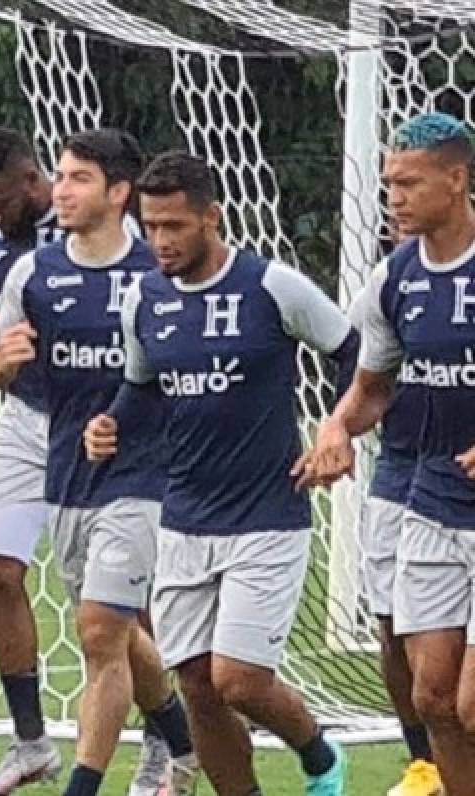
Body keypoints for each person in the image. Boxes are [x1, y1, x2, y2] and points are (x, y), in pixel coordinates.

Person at [85, 150, 355, 796]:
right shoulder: (144, 298)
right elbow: (141, 387)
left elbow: (354, 353)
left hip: (268, 514)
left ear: (211, 218)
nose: (160, 241)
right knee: (199, 687)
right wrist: (109, 424)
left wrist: (336, 429)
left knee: (239, 680)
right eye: (151, 226)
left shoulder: (272, 287)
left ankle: (319, 754)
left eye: (174, 226)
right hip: (183, 517)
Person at [0, 129, 197, 796]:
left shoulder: (158, 273)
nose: (61, 191)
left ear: (119, 192)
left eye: (78, 179)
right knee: (113, 629)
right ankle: (179, 736)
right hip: (64, 466)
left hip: (142, 470)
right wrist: (1, 362)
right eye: (61, 176)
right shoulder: (33, 273)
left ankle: (106, 775)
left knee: (102, 630)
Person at [297, 112, 475, 793]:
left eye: (409, 183)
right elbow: (372, 386)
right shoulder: (397, 276)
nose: (394, 198)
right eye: (389, 183)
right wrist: (337, 428)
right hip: (431, 500)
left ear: (456, 179)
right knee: (432, 699)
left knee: (471, 705)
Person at [0, 127, 67, 791]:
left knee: (116, 606)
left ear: (33, 180)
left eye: (0, 203)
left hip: (97, 428)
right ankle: (30, 743)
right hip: (24, 419)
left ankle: (167, 739)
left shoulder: (91, 227)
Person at [347, 268, 441, 796]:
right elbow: (354, 361)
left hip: (457, 477)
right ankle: (423, 761)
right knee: (391, 622)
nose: (399, 226)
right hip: (398, 470)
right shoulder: (389, 284)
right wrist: (337, 426)